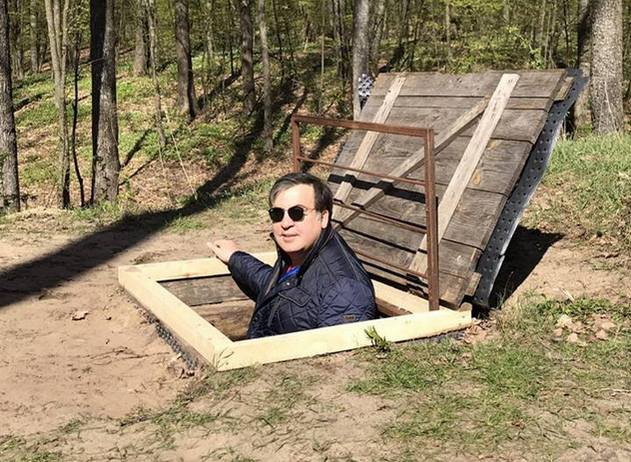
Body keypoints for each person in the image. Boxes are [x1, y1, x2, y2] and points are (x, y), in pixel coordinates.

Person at [208, 172, 376, 338]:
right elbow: (276, 288)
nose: (286, 223)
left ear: (323, 218)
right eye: (277, 214)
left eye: (297, 213)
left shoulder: (345, 290)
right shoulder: (298, 257)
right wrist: (235, 257)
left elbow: (337, 353)